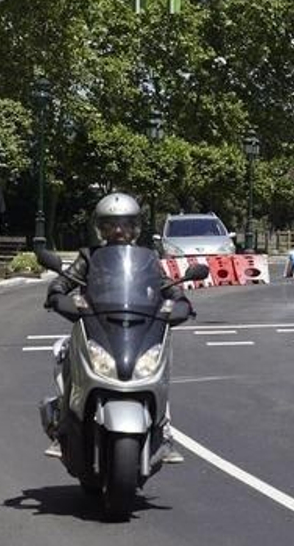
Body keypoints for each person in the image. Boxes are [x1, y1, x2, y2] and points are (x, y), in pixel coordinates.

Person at [42, 192, 186, 462]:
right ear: (101, 228)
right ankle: (62, 428)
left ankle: (164, 432)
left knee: (159, 367)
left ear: (136, 227)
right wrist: (57, 294)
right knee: (70, 358)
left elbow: (166, 285)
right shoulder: (89, 257)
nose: (118, 231)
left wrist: (180, 301)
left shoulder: (148, 259)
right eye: (111, 225)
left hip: (137, 326)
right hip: (96, 324)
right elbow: (65, 280)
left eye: (126, 224)